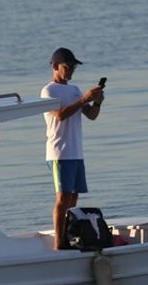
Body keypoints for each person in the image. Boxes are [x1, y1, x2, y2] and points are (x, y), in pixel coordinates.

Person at [42, 47, 104, 250]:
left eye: (73, 68)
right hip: (59, 152)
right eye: (67, 67)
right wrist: (84, 99)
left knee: (73, 197)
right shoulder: (48, 90)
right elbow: (59, 115)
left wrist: (97, 103)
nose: (70, 71)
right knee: (62, 197)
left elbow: (91, 115)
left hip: (76, 152)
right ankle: (59, 243)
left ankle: (69, 236)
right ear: (55, 66)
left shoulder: (75, 90)